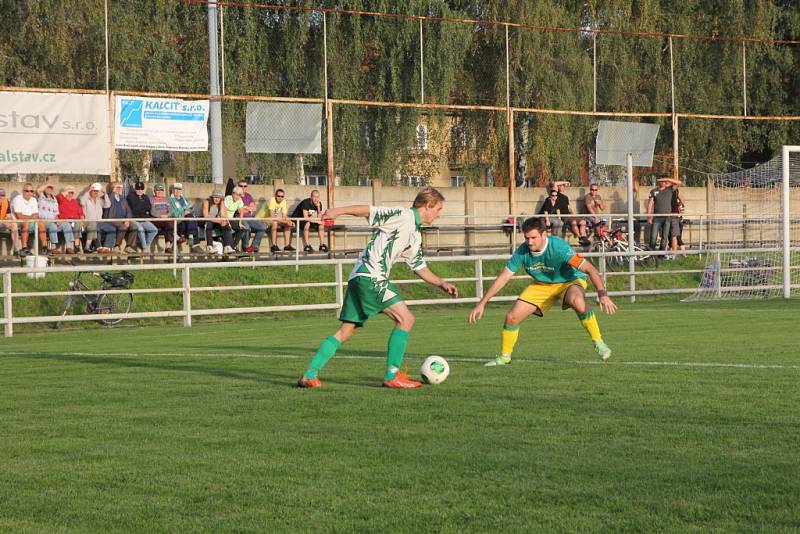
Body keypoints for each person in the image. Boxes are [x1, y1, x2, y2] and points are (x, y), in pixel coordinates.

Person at [298, 187, 459, 389]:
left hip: (359, 277)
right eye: (439, 209)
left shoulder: (415, 234)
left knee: (346, 331)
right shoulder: (403, 215)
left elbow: (418, 266)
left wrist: (441, 283)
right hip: (371, 276)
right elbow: (368, 210)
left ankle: (310, 374)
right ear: (427, 205)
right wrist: (337, 211)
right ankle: (392, 375)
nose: (439, 214)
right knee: (406, 319)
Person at [468, 216, 616, 365]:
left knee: (577, 300)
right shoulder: (522, 251)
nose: (529, 242)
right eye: (527, 238)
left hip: (569, 281)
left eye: (533, 237)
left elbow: (590, 269)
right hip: (542, 285)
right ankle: (505, 357)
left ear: (544, 234)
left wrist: (602, 294)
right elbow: (503, 278)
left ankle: (599, 342)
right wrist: (482, 303)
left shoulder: (559, 247)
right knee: (512, 317)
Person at [647, 177, 681, 253]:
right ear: (659, 182)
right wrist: (649, 217)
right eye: (662, 181)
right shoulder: (654, 191)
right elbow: (650, 204)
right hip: (657, 218)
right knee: (653, 237)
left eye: (665, 181)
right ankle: (650, 254)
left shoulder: (670, 189)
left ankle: (661, 254)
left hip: (667, 218)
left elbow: (679, 183)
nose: (663, 183)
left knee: (664, 237)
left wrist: (668, 179)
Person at [550, 180, 589, 245]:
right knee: (573, 222)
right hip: (563, 216)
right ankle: (580, 238)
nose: (564, 187)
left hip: (569, 215)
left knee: (583, 221)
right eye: (562, 186)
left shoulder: (565, 197)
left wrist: (573, 214)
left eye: (564, 186)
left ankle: (584, 237)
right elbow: (555, 183)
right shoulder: (555, 195)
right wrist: (566, 182)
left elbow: (569, 208)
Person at [104, 181, 139, 253]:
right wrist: (113, 192)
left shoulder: (122, 198)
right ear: (112, 188)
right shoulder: (109, 196)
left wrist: (127, 219)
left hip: (123, 219)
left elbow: (128, 211)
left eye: (120, 187)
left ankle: (129, 246)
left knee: (134, 227)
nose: (119, 189)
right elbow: (109, 202)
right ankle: (117, 245)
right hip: (113, 219)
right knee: (123, 227)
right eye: (117, 187)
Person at [81, 182, 115, 253]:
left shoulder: (99, 200)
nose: (95, 192)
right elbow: (81, 201)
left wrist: (105, 193)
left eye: (97, 191)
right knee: (96, 228)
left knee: (112, 228)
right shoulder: (86, 200)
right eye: (94, 190)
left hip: (100, 221)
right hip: (89, 222)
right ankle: (98, 247)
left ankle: (106, 247)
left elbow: (108, 205)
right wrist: (89, 190)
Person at [126, 182, 159, 253]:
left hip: (143, 219)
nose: (140, 190)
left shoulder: (146, 197)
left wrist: (142, 208)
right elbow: (134, 208)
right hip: (134, 219)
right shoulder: (131, 196)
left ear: (144, 189)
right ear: (135, 189)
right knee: (140, 229)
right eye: (138, 189)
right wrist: (143, 208)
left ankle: (145, 245)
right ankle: (144, 248)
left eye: (141, 189)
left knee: (154, 230)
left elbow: (149, 208)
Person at [169, 183, 202, 252]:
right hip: (178, 223)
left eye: (179, 190)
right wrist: (183, 213)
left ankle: (191, 237)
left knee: (191, 217)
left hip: (187, 223)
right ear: (172, 190)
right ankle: (194, 242)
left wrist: (187, 211)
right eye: (175, 190)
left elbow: (191, 208)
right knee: (190, 217)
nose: (177, 191)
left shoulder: (184, 199)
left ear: (181, 191)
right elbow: (172, 213)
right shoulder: (170, 200)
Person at [237, 180, 266, 253]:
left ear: (247, 187)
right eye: (241, 186)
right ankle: (245, 247)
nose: (243, 187)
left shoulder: (248, 196)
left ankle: (254, 246)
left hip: (249, 218)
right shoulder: (236, 196)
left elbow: (254, 208)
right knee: (246, 228)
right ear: (238, 186)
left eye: (245, 186)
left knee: (263, 227)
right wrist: (248, 208)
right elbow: (239, 211)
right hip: (240, 218)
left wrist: (245, 207)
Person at [203, 190, 236, 255]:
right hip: (206, 220)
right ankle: (209, 246)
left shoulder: (222, 202)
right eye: (215, 197)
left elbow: (223, 214)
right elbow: (206, 216)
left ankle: (227, 246)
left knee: (226, 225)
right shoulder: (207, 202)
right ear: (212, 197)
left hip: (216, 221)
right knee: (209, 224)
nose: (217, 199)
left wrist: (224, 220)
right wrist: (219, 221)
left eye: (218, 198)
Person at [11, 183, 40, 255]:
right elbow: (19, 216)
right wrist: (31, 217)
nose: (29, 193)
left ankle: (45, 248)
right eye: (27, 191)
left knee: (41, 223)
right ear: (23, 191)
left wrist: (30, 217)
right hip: (17, 222)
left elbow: (36, 214)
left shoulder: (33, 199)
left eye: (31, 191)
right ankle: (24, 248)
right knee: (26, 223)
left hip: (29, 221)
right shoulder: (17, 199)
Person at [55, 185, 83, 254]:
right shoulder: (61, 200)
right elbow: (58, 197)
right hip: (65, 221)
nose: (70, 194)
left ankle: (76, 246)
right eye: (68, 193)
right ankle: (75, 246)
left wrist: (82, 217)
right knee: (76, 223)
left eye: (72, 193)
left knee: (78, 222)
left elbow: (81, 213)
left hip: (75, 220)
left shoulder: (75, 201)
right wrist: (65, 192)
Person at [36, 183, 62, 253]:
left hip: (51, 220)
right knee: (51, 226)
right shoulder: (41, 195)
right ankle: (49, 248)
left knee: (55, 225)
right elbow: (38, 190)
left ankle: (54, 247)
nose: (49, 189)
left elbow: (56, 212)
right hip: (42, 220)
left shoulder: (54, 199)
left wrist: (57, 220)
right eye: (48, 187)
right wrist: (47, 184)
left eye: (51, 188)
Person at [150, 183, 175, 253]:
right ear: (154, 191)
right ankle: (175, 237)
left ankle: (168, 246)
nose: (159, 192)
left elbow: (171, 210)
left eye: (161, 191)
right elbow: (152, 211)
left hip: (166, 219)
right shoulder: (151, 199)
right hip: (157, 220)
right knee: (168, 223)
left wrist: (167, 215)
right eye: (157, 190)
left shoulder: (167, 199)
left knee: (169, 223)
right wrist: (160, 216)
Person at [0, 189, 21, 255]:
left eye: (3, 195)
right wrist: (5, 223)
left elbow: (8, 215)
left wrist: (9, 219)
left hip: (2, 223)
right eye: (0, 195)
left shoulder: (6, 202)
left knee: (14, 225)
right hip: (2, 223)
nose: (1, 197)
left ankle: (16, 249)